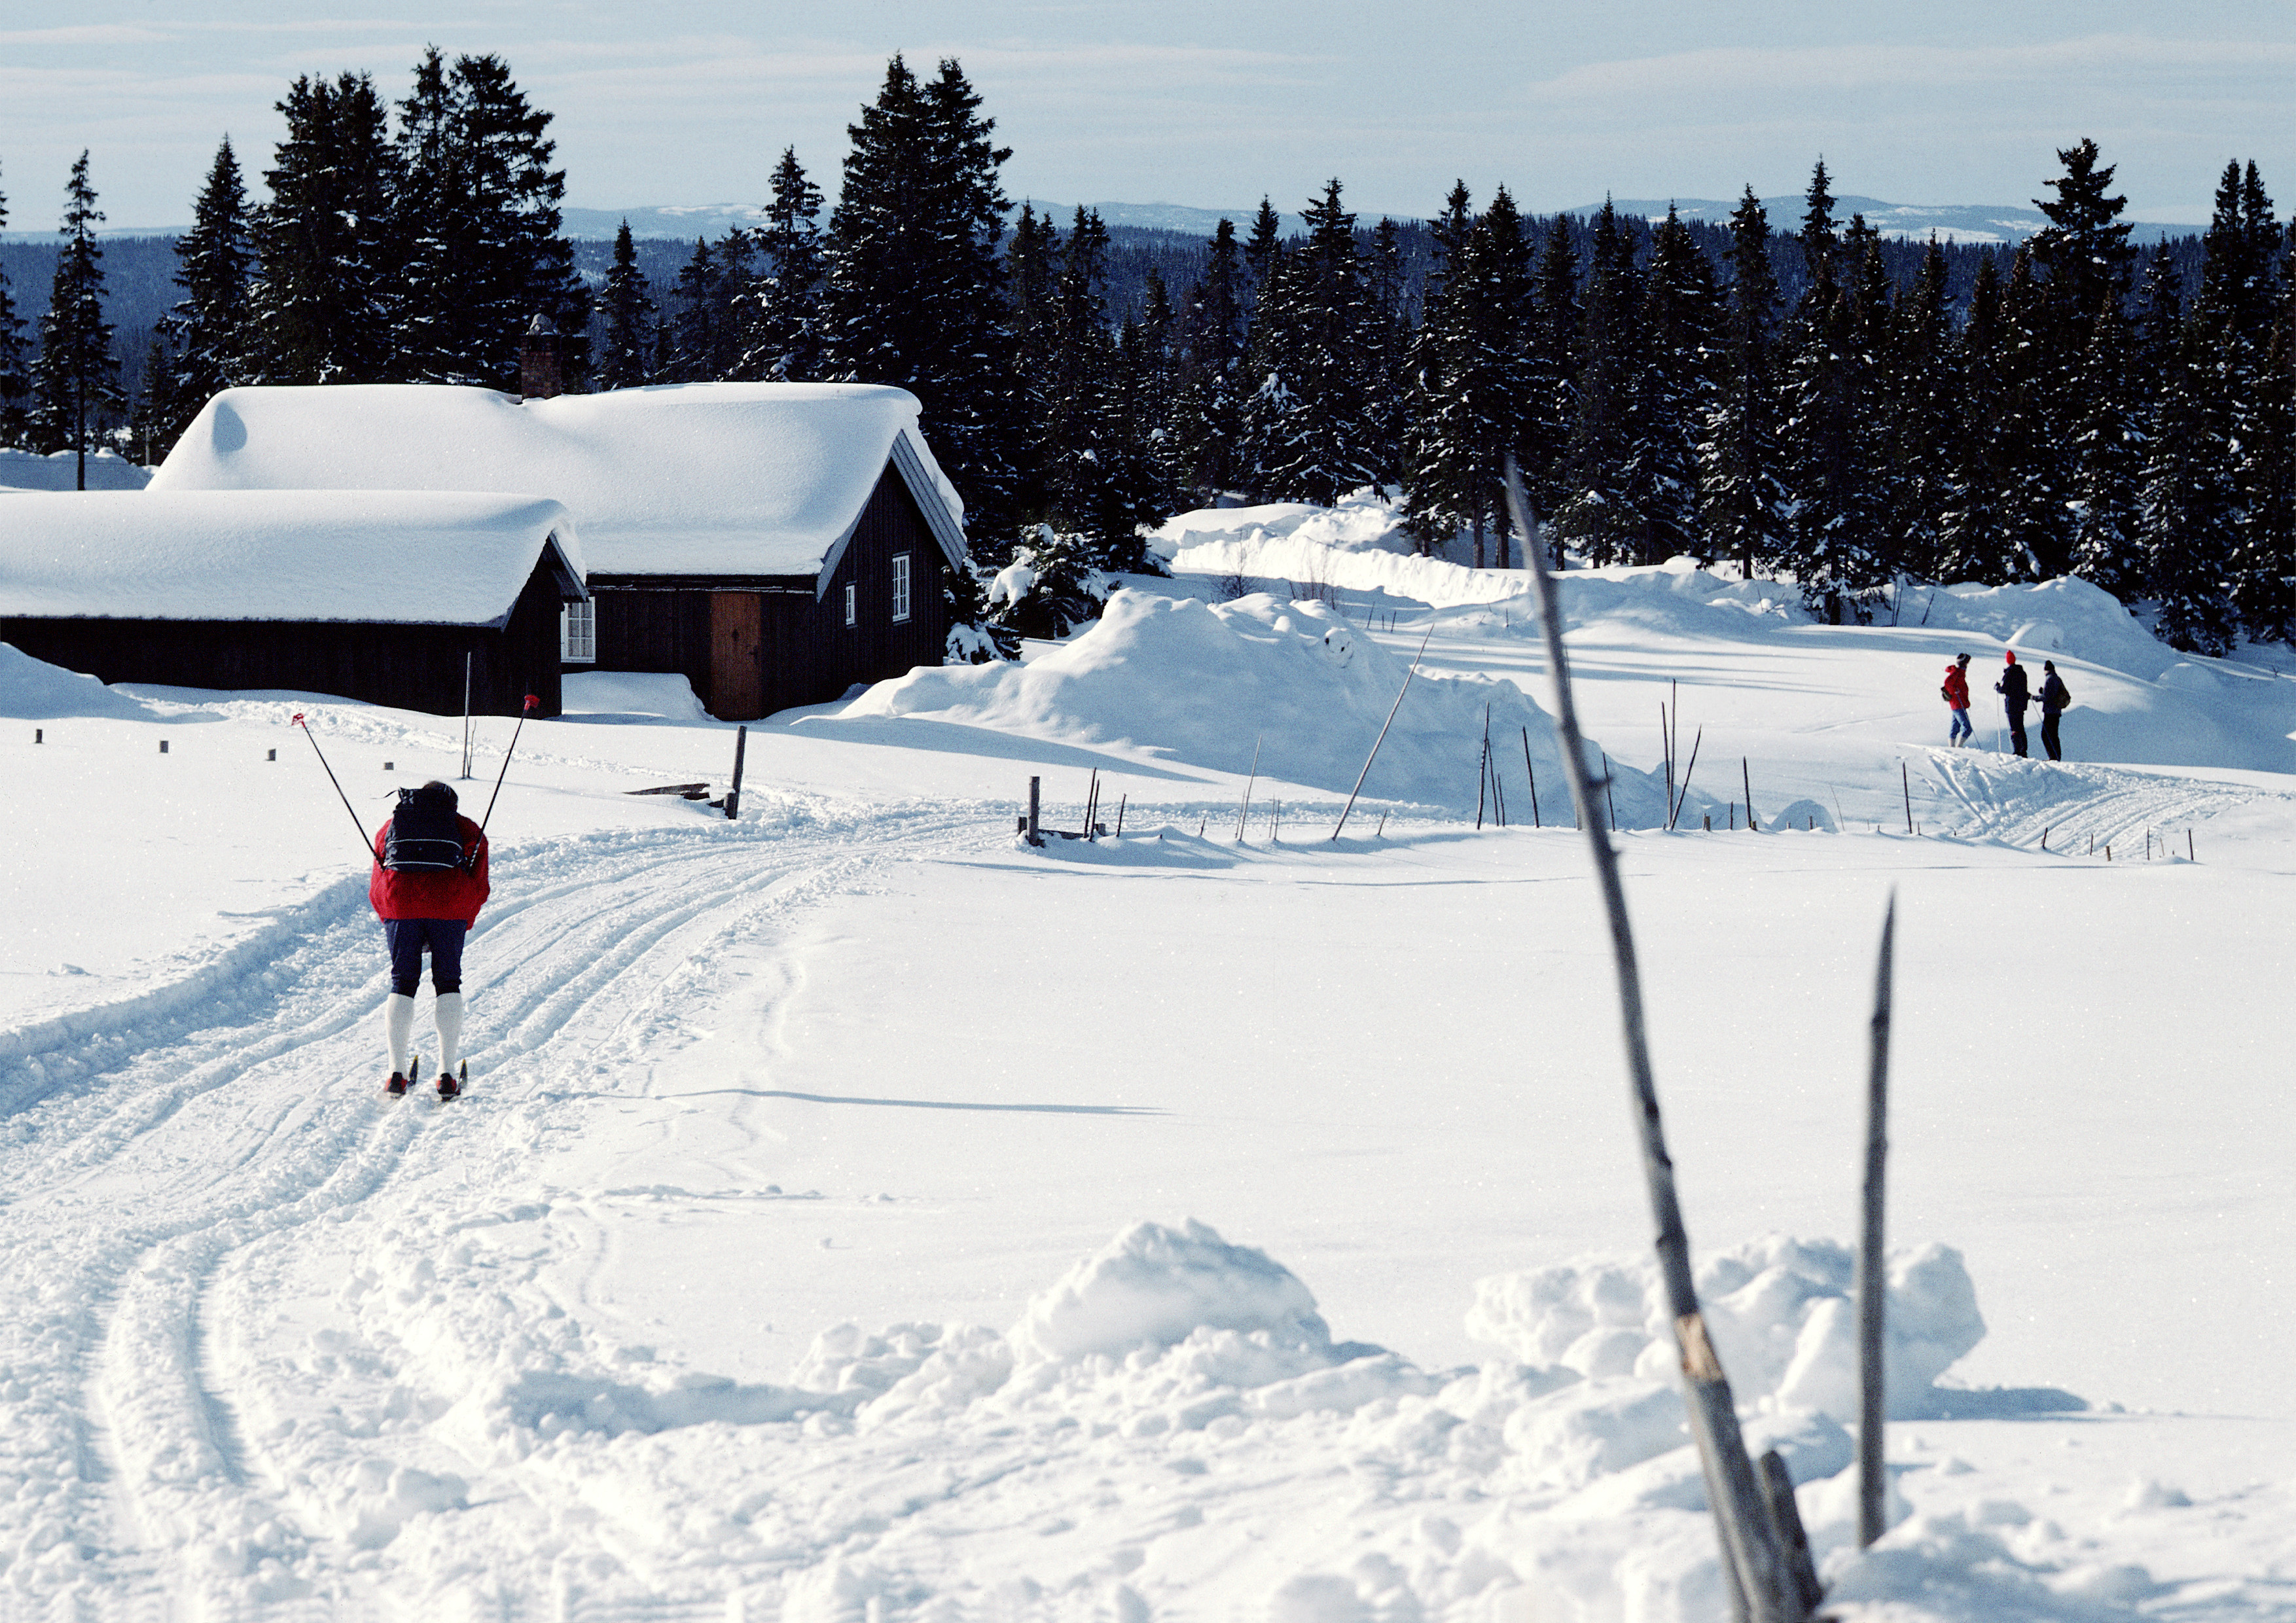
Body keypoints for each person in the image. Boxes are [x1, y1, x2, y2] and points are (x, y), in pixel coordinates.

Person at [370, 780, 489, 1097]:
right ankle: (447, 1075)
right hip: (449, 905)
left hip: (400, 904)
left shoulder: (391, 826)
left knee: (402, 982)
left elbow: (377, 884)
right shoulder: (466, 829)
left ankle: (396, 1074)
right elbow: (480, 887)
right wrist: (462, 920)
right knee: (448, 982)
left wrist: (393, 919)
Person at [1995, 650, 2032, 757]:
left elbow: (2004, 689)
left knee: (2014, 728)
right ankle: (2023, 750)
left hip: (2012, 705)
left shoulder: (2009, 673)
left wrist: (1997, 688)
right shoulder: (2022, 672)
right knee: (2021, 727)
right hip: (2021, 704)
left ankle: (2017, 750)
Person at [2038, 659, 2072, 761]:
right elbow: (2054, 694)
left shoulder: (2049, 679)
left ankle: (2052, 757)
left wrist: (2034, 697)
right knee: (2054, 735)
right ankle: (2057, 757)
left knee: (2045, 735)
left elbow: (2047, 697)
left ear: (2046, 670)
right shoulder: (2057, 678)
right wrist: (2044, 692)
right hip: (2057, 712)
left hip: (2049, 712)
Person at [1941, 652, 1974, 746]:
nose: (1968, 665)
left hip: (1958, 704)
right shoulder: (1957, 673)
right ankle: (1958, 747)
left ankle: (1952, 748)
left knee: (1955, 727)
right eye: (1967, 663)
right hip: (1958, 704)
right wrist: (1954, 691)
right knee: (1967, 728)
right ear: (1964, 663)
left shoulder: (1960, 673)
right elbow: (1947, 683)